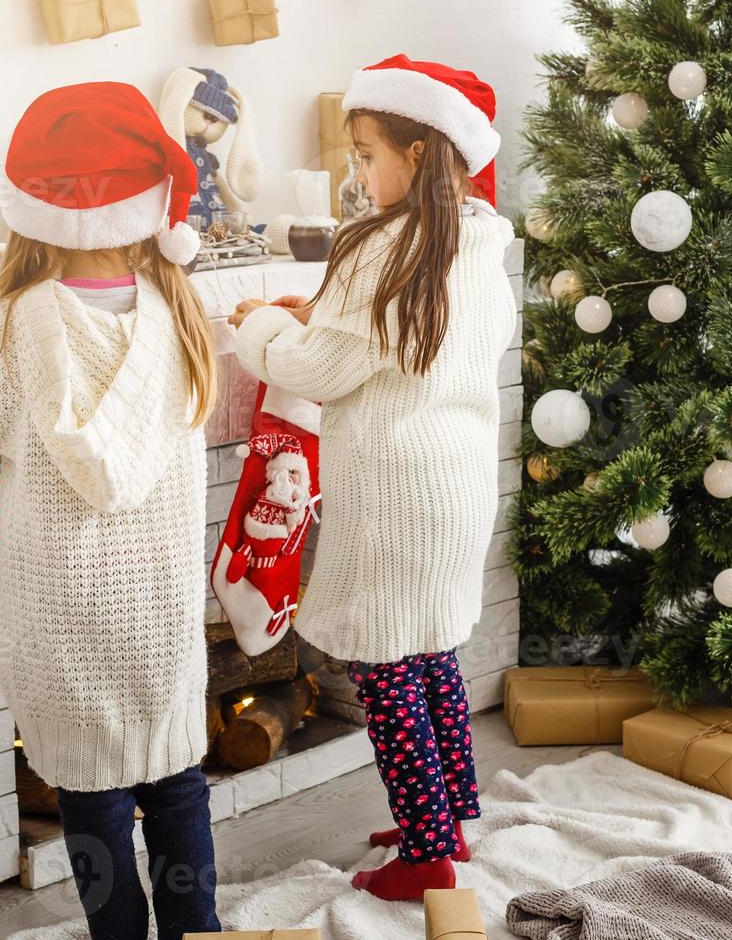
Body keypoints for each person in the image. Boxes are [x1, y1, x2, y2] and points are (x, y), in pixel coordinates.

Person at [0, 81, 221, 940]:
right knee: (176, 783)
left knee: (94, 798)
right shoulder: (180, 314)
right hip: (158, 614)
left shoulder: (12, 325)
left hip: (64, 623)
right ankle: (200, 931)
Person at [227, 54, 517, 901]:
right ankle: (452, 811)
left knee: (387, 670)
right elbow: (392, 344)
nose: (356, 174)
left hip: (395, 495)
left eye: (364, 154)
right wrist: (319, 317)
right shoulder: (476, 242)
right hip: (459, 489)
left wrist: (263, 326)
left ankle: (428, 856)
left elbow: (321, 367)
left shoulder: (382, 251)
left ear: (419, 153)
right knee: (432, 650)